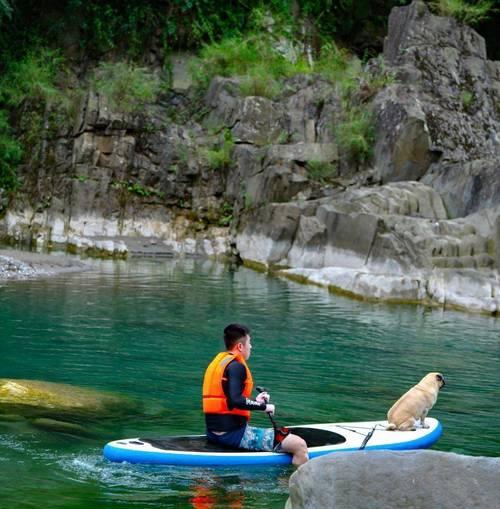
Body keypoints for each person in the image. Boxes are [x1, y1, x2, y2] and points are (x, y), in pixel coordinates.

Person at [202, 323, 308, 466]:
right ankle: (292, 485)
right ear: (240, 346)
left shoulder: (220, 363)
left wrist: (256, 401)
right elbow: (235, 400)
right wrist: (265, 407)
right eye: (249, 343)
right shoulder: (237, 366)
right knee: (299, 445)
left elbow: (230, 400)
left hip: (213, 433)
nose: (251, 347)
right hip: (232, 435)